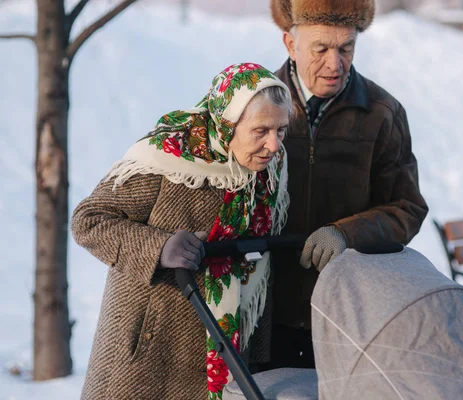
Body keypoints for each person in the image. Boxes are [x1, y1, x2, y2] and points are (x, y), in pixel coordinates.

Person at [71, 63, 293, 400]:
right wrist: (158, 247)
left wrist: (256, 358)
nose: (274, 145)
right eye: (261, 130)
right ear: (227, 123)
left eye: (281, 130)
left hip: (222, 353)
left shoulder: (267, 172)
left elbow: (260, 264)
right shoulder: (167, 159)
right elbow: (89, 219)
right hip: (146, 353)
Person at [266, 0, 430, 369]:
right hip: (264, 313)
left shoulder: (382, 112)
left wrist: (345, 234)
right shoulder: (256, 105)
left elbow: (407, 208)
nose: (334, 64)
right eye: (320, 48)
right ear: (290, 45)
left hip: (347, 314)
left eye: (346, 48)